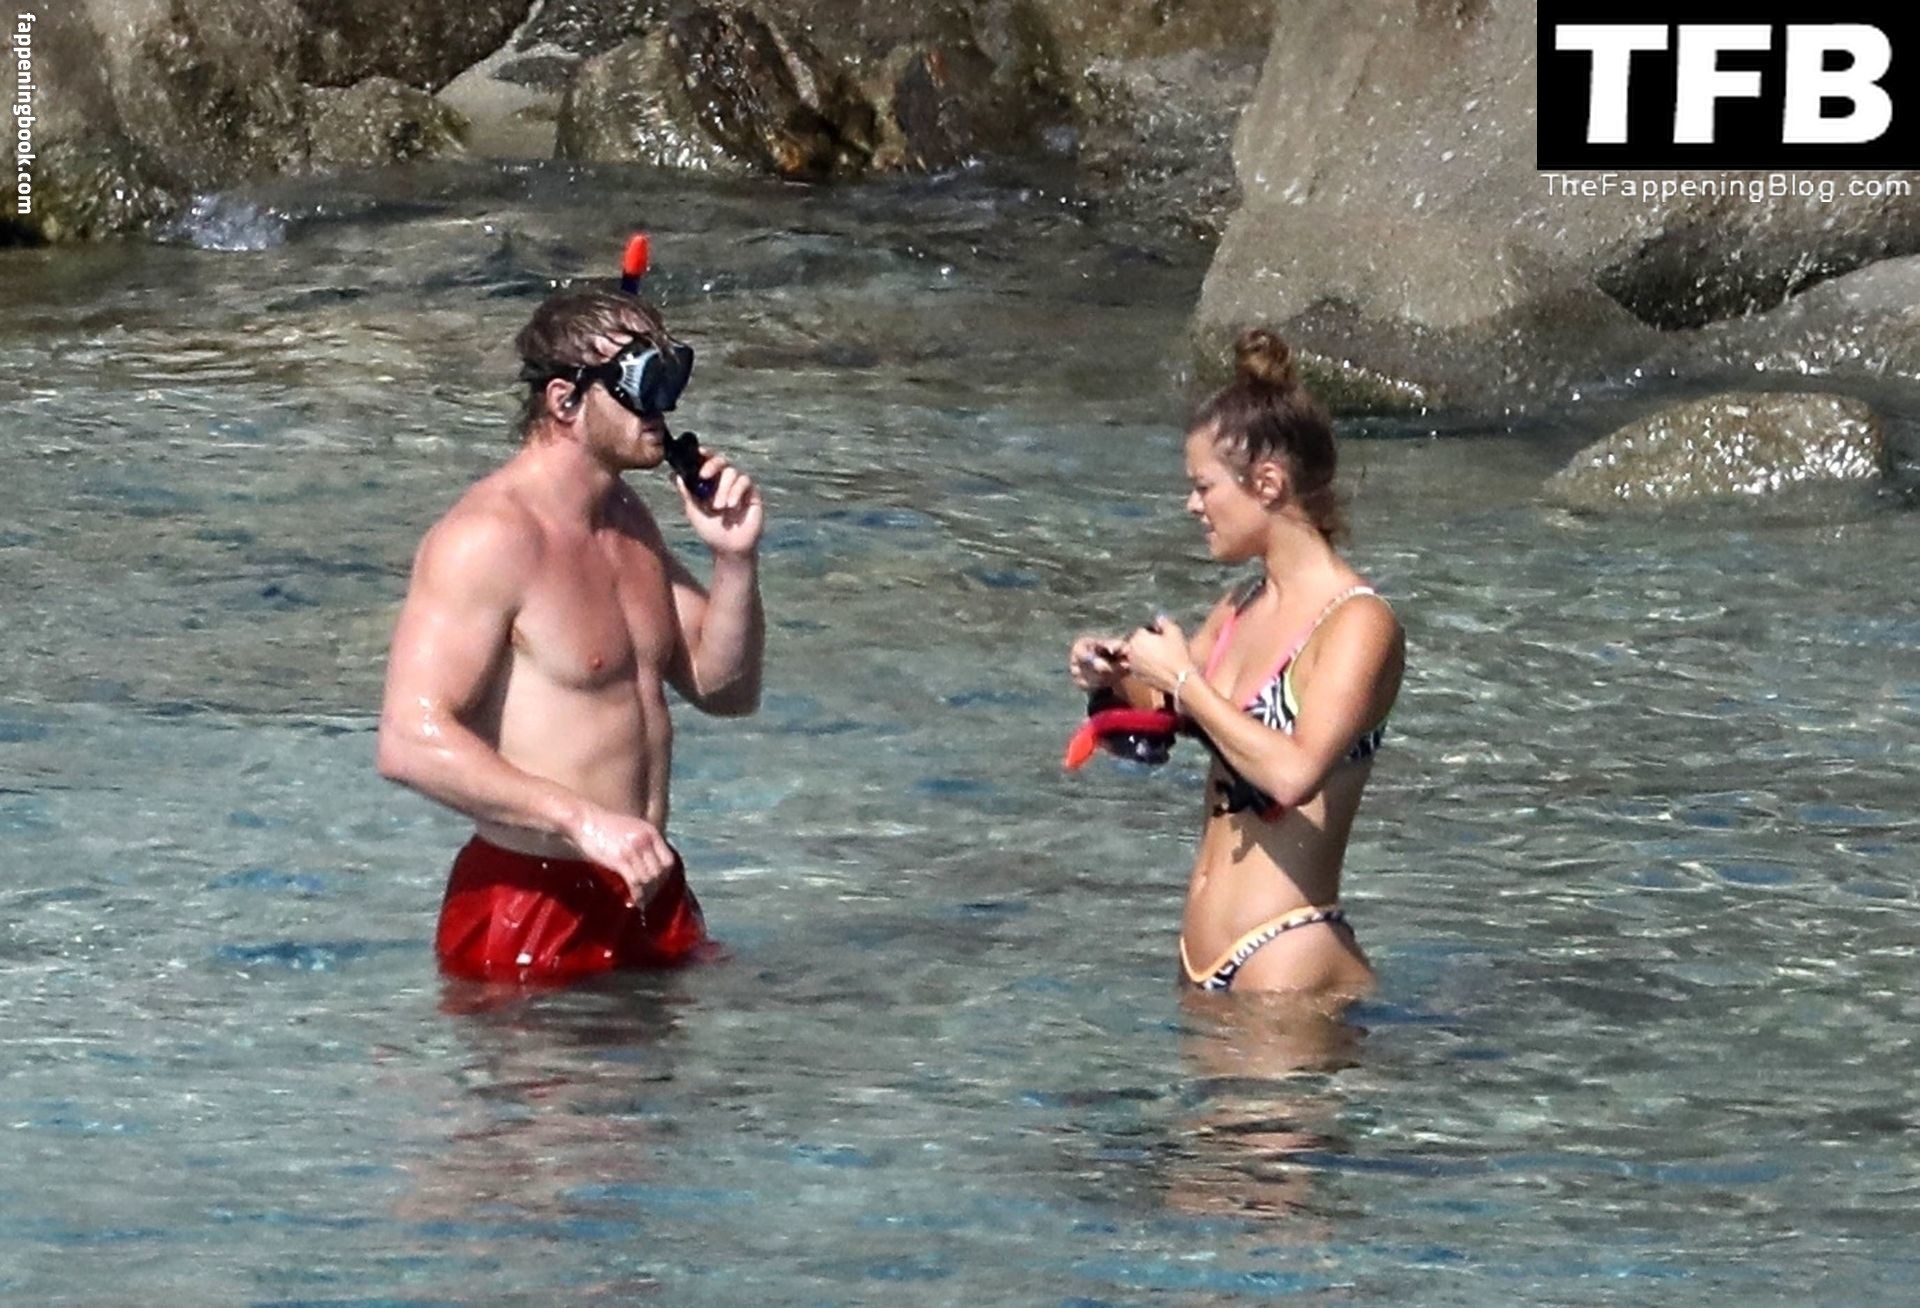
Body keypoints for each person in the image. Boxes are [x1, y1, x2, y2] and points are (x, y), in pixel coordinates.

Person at [377, 286, 764, 984]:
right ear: (565, 400)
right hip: (531, 903)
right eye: (644, 382)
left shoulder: (628, 521)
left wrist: (734, 560)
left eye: (673, 374)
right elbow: (408, 742)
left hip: (650, 895)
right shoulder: (488, 539)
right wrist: (582, 821)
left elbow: (725, 691)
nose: (665, 406)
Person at [1068, 329, 1403, 1000]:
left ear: (1268, 484)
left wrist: (1182, 678)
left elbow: (1294, 774)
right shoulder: (1240, 606)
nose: (1192, 505)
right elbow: (1165, 716)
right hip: (1204, 960)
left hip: (1286, 956)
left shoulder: (1358, 622)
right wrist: (1115, 679)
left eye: (1203, 487)